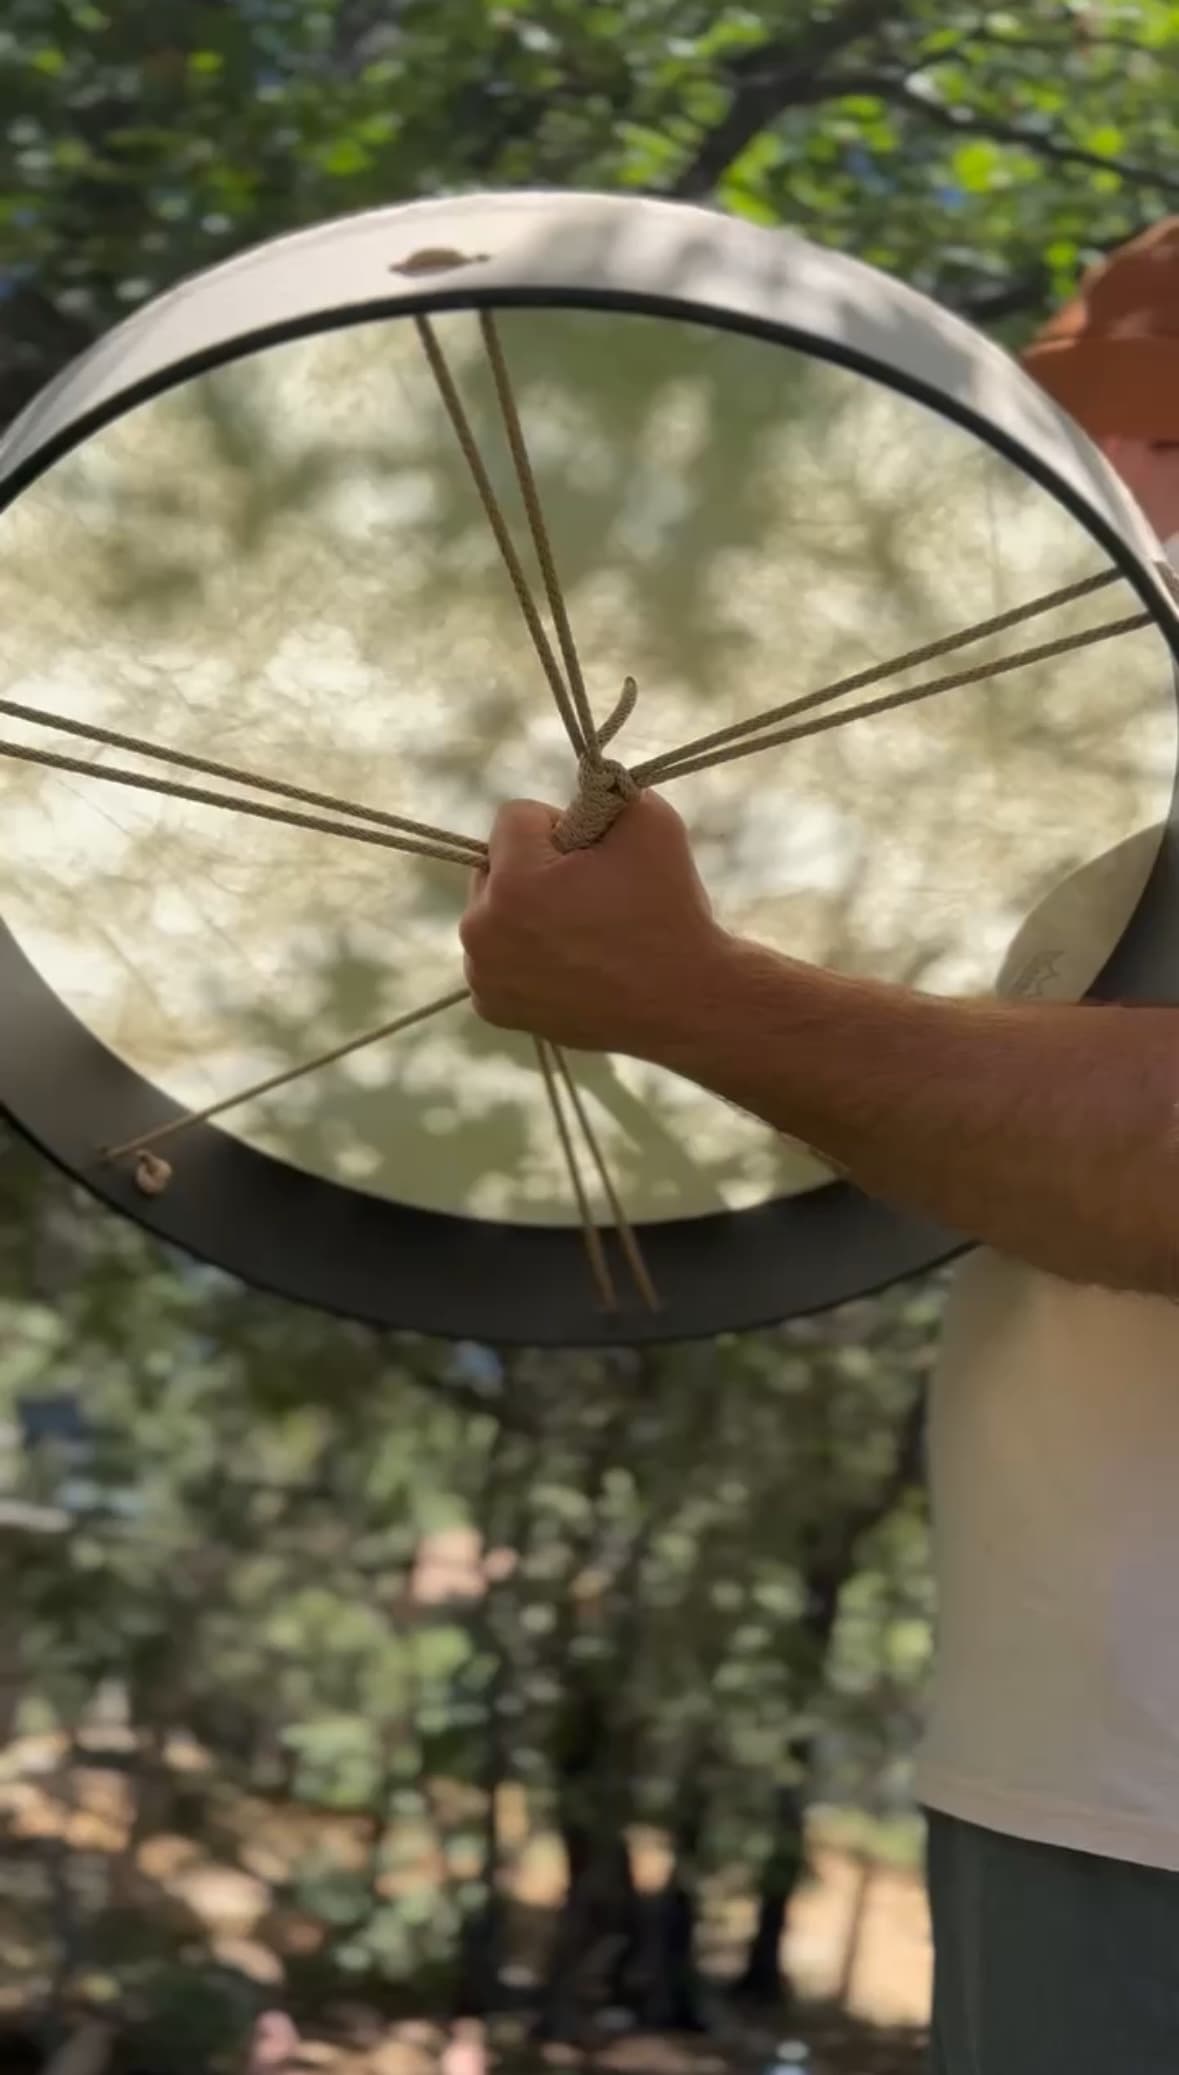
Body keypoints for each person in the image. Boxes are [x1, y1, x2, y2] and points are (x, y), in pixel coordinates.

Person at [460, 218, 1179, 2075]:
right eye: (1093, 433)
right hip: (1076, 1785)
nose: (1114, 492)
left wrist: (690, 994)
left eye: (1160, 437)